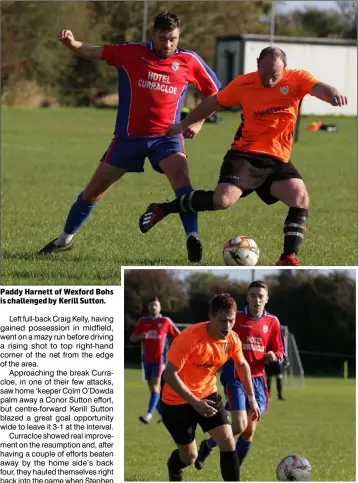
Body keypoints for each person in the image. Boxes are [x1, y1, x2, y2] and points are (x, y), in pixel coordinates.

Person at [139, 46, 348, 266]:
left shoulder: (298, 78)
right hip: (245, 155)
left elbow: (319, 88)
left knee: (300, 197)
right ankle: (162, 209)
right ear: (257, 64)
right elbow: (213, 102)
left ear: (285, 69)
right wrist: (184, 123)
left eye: (274, 76)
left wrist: (332, 94)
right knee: (223, 201)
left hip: (277, 160)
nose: (268, 81)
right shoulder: (243, 83)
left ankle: (287, 257)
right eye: (264, 74)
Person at [38, 11, 221, 262]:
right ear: (152, 35)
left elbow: (215, 93)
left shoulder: (189, 60)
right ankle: (63, 241)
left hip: (167, 138)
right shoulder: (132, 53)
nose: (168, 45)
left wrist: (197, 122)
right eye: (162, 38)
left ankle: (192, 237)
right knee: (93, 191)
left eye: (173, 39)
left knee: (183, 185)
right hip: (128, 138)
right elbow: (95, 51)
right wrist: (73, 44)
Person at [160, 293, 261, 482]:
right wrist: (195, 403)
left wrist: (251, 397)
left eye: (231, 320)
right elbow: (169, 375)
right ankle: (174, 469)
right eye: (223, 321)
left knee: (227, 439)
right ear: (211, 317)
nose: (227, 326)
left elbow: (242, 365)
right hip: (176, 400)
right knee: (189, 457)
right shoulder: (189, 338)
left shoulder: (232, 339)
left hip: (207, 393)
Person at [194, 281, 284, 473]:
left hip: (258, 379)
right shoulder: (236, 318)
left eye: (261, 296)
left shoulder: (273, 322)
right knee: (239, 424)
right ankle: (231, 472)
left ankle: (210, 447)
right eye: (253, 295)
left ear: (267, 299)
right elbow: (217, 334)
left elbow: (279, 350)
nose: (257, 300)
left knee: (248, 431)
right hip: (235, 375)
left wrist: (273, 356)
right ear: (247, 297)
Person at [130, 296, 180, 424]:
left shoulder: (165, 321)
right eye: (151, 305)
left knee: (155, 385)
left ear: (160, 307)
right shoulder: (143, 322)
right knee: (154, 390)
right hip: (146, 360)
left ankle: (149, 415)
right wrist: (140, 336)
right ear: (148, 307)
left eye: (155, 305)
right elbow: (132, 338)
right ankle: (164, 415)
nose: (153, 307)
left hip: (160, 360)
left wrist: (174, 350)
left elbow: (179, 336)